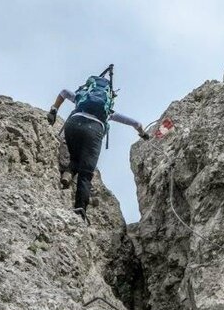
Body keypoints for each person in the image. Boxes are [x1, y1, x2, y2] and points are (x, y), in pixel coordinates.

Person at [47, 75, 148, 219]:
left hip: (73, 124)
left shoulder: (81, 98)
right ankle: (80, 208)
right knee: (86, 171)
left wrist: (53, 111)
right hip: (93, 130)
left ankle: (69, 173)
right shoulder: (108, 112)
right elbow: (136, 123)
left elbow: (63, 92)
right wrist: (143, 134)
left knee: (76, 156)